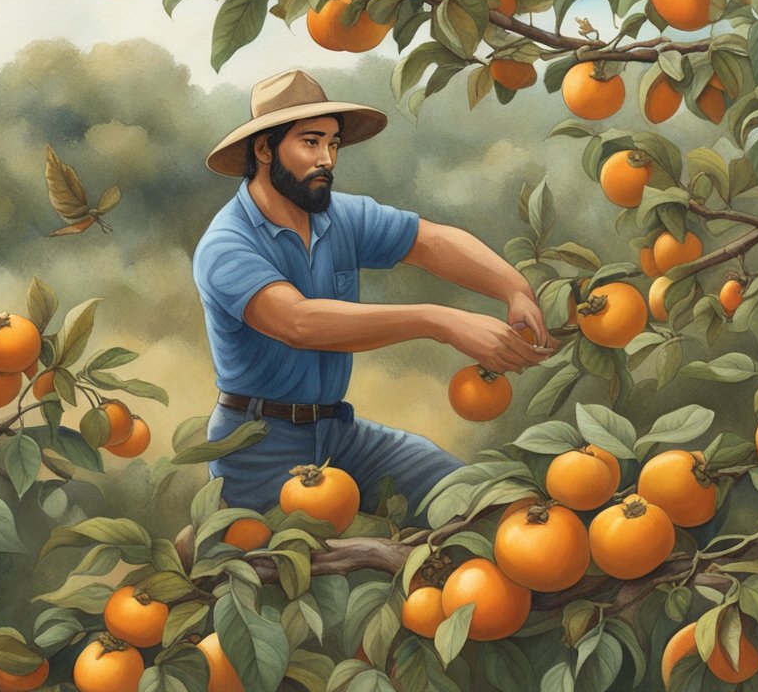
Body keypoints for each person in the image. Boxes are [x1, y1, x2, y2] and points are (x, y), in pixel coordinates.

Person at [192, 69, 555, 521]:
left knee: (478, 505)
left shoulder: (338, 216)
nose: (327, 158)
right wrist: (440, 322)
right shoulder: (226, 244)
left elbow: (430, 242)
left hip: (339, 432)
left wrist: (513, 288)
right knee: (293, 576)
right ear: (265, 149)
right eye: (311, 142)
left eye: (334, 143)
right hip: (257, 449)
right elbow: (298, 323)